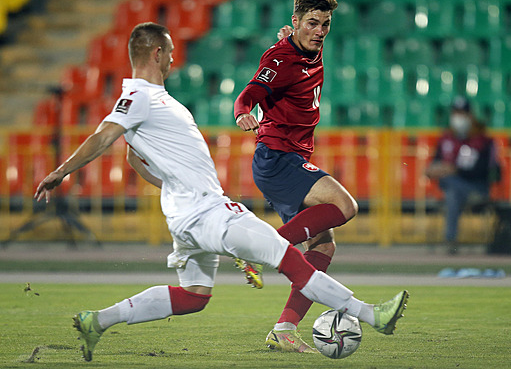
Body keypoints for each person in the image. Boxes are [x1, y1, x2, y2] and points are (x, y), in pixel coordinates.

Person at [34, 22, 408, 362]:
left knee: (194, 296)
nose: (174, 59)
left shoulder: (147, 101)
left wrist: (178, 187)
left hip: (185, 214)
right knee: (289, 258)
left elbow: (134, 159)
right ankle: (373, 315)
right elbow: (104, 137)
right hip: (208, 212)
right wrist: (61, 172)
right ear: (157, 54)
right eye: (171, 52)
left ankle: (96, 321)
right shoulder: (141, 98)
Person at [233, 0, 360, 353]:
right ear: (296, 22)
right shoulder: (281, 57)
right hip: (277, 155)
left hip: (289, 155)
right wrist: (243, 112)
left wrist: (292, 37)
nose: (319, 31)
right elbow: (252, 90)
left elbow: (297, 47)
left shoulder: (304, 46)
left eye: (325, 24)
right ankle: (258, 249)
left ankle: (284, 328)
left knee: (323, 244)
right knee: (345, 206)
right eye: (312, 23)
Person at [426, 96, 501, 255]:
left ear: (470, 116)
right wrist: (434, 170)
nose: (458, 117)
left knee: (451, 189)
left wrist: (454, 170)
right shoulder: (446, 138)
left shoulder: (483, 141)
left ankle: (450, 240)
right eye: (456, 113)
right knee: (452, 192)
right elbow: (435, 162)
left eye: (462, 113)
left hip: (477, 188)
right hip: (453, 187)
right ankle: (451, 240)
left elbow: (485, 171)